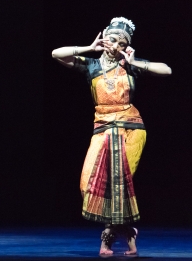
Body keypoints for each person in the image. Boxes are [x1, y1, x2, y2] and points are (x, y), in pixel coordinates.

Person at [51, 17, 171, 256]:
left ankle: (107, 241)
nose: (112, 43)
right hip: (102, 128)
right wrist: (89, 48)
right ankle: (129, 233)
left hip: (130, 129)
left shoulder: (130, 65)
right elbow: (56, 54)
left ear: (125, 46)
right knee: (88, 184)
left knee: (117, 185)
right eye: (110, 37)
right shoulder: (91, 65)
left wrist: (136, 61)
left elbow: (167, 70)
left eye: (118, 41)